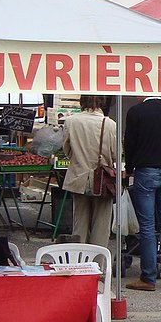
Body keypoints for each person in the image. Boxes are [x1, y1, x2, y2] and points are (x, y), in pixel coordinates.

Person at [123, 96, 161, 291]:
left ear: (142, 95)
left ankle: (148, 278)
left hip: (146, 172)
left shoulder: (136, 111)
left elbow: (129, 142)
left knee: (147, 226)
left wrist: (130, 167)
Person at [60, 96, 117, 246]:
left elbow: (66, 150)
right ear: (102, 102)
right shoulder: (110, 124)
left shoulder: (71, 122)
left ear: (81, 102)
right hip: (103, 181)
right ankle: (97, 263)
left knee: (79, 223)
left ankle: (79, 261)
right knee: (101, 226)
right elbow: (116, 154)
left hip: (78, 177)